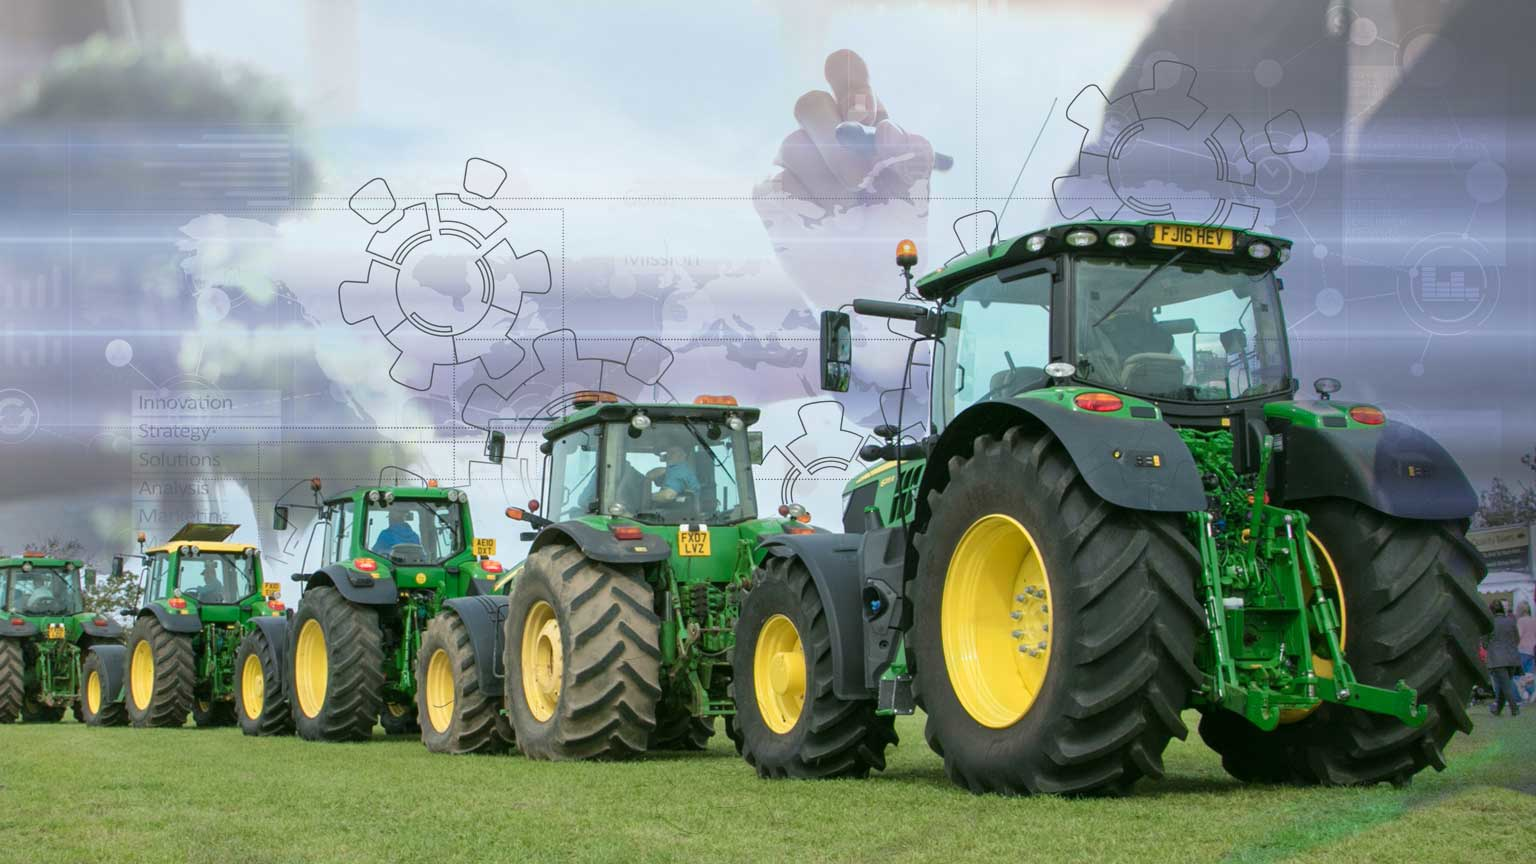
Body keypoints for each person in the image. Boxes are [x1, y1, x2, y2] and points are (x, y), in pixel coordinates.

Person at [1485, 600, 1522, 717]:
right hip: (1512, 658)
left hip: (1497, 659)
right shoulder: (1511, 621)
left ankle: (1515, 709)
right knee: (1504, 686)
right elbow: (1517, 638)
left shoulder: (1489, 623)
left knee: (1505, 686)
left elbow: (1484, 641)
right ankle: (1498, 710)